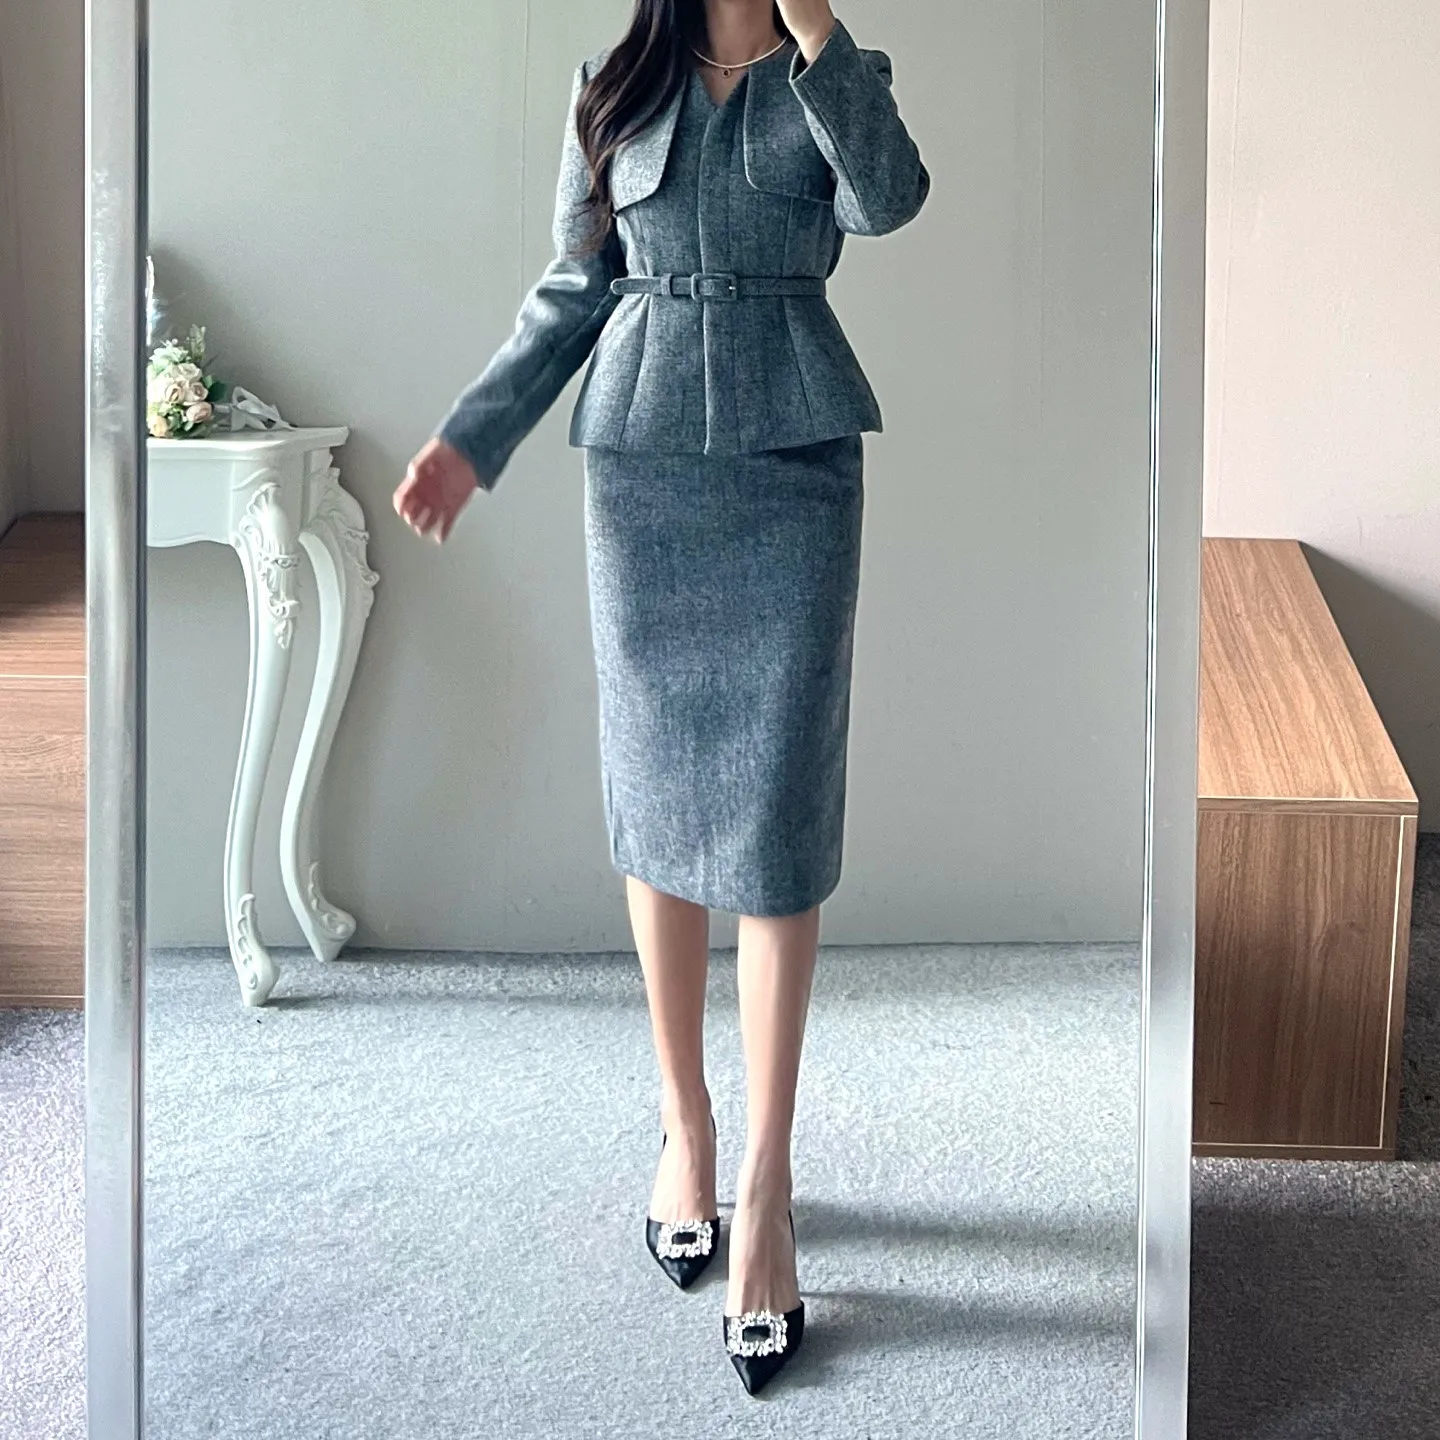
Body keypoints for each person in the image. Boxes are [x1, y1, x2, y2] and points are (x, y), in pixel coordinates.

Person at [393, 0, 928, 1395]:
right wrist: (473, 439)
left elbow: (890, 200)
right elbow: (574, 287)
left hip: (795, 465)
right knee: (658, 795)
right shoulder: (612, 84)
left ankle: (769, 1181)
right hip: (639, 472)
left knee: (777, 811)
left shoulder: (837, 74)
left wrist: (818, 32)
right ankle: (686, 1129)